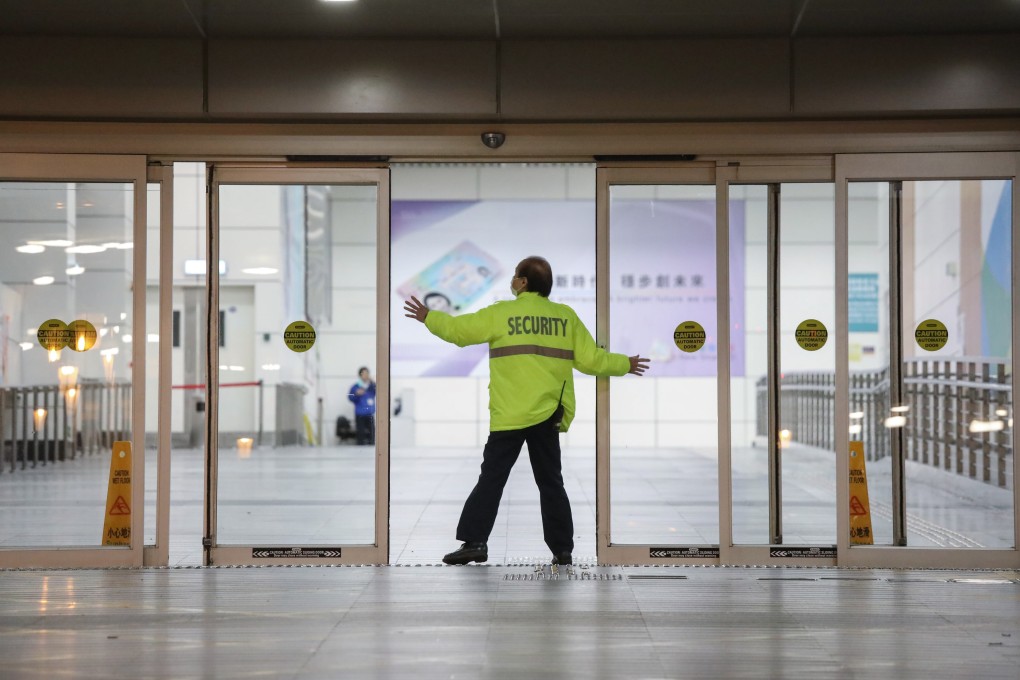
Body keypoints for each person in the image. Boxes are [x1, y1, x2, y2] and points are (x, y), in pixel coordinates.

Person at [403, 256, 649, 566]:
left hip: (510, 414)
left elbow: (460, 331)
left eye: (516, 275)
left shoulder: (503, 313)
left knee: (491, 479)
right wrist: (624, 363)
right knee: (551, 482)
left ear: (523, 282)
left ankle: (475, 542)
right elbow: (591, 361)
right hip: (548, 414)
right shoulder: (565, 317)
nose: (512, 280)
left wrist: (429, 317)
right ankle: (563, 550)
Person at [347, 367, 376, 445]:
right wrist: (356, 394)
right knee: (360, 433)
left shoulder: (371, 386)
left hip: (370, 413)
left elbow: (379, 391)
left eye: (367, 373)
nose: (365, 375)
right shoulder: (355, 386)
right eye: (363, 373)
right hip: (360, 414)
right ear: (360, 375)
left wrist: (372, 382)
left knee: (372, 434)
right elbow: (349, 396)